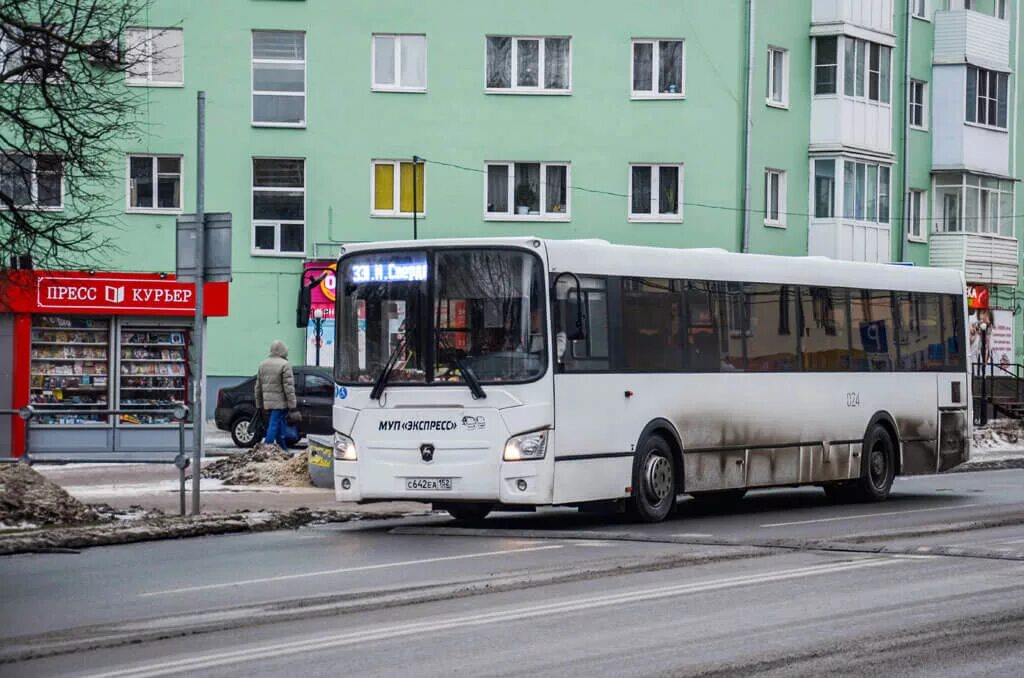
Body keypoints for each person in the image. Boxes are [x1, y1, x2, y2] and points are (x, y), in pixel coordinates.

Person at [254, 340, 297, 449]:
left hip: (267, 402)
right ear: (283, 351)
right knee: (274, 425)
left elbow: (258, 387)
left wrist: (259, 404)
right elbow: (289, 387)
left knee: (279, 425)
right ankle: (267, 447)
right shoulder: (285, 365)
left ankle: (283, 449)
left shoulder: (263, 364)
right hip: (281, 402)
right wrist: (292, 405)